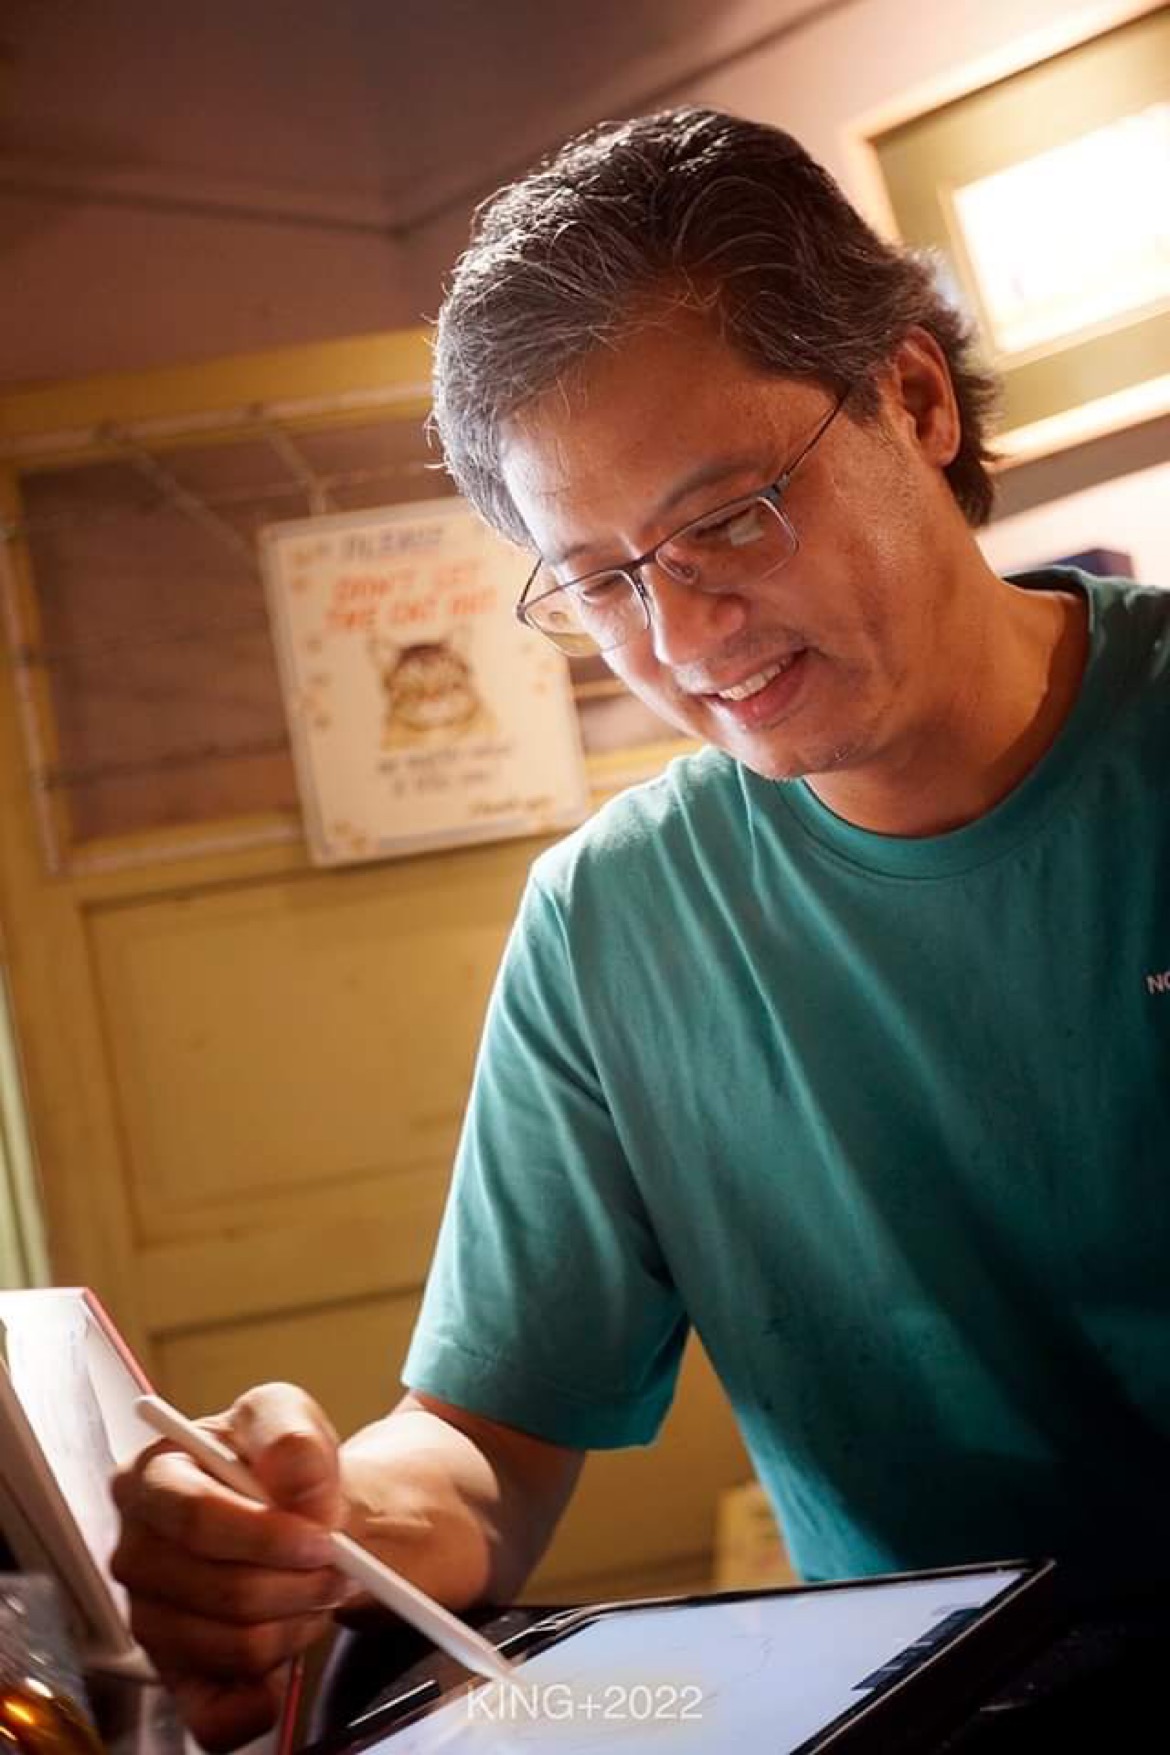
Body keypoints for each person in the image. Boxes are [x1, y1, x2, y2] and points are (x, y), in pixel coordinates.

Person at [111, 107, 1170, 1751]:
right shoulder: (614, 921)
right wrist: (312, 1527)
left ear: (911, 396)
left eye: (729, 516)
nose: (683, 636)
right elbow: (485, 1449)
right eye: (600, 581)